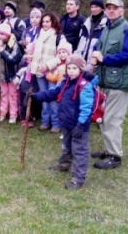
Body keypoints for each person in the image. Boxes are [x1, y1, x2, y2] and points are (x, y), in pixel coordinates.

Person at [33, 54, 96, 190]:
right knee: (66, 146)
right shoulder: (65, 82)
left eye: (75, 68)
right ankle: (65, 164)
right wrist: (36, 96)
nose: (71, 71)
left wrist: (81, 125)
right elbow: (53, 93)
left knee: (79, 151)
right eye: (69, 68)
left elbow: (87, 108)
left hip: (79, 126)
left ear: (81, 69)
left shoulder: (84, 86)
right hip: (66, 123)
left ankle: (78, 178)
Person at [91, 0, 128, 170]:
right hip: (105, 80)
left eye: (115, 8)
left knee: (112, 119)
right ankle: (107, 149)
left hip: (119, 82)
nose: (111, 10)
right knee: (103, 118)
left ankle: (115, 156)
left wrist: (104, 59)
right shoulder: (106, 29)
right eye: (109, 8)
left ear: (122, 11)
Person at [29, 12, 66, 133]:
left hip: (53, 73)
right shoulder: (39, 35)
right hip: (40, 72)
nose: (45, 24)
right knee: (43, 97)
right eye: (43, 21)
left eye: (47, 21)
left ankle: (56, 124)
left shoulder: (59, 36)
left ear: (53, 22)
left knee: (53, 97)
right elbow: (35, 52)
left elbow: (62, 56)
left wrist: (47, 65)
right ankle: (45, 122)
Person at [0, 23, 22, 124]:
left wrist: (2, 51)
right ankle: (2, 113)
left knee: (13, 96)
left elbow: (13, 59)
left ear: (8, 35)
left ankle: (13, 115)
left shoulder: (14, 44)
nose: (0, 36)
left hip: (12, 76)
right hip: (1, 75)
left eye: (2, 34)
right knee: (3, 95)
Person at [75, 0, 107, 71]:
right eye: (92, 7)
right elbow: (81, 41)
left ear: (102, 8)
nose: (93, 9)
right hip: (82, 61)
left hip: (95, 63)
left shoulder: (105, 24)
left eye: (96, 7)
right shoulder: (86, 23)